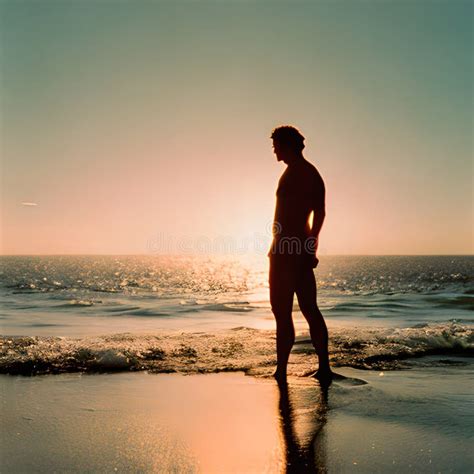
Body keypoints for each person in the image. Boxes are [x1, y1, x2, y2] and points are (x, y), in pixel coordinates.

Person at [268, 125, 333, 386]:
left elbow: (320, 212)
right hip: (290, 249)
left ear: (287, 145)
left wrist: (310, 246)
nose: (274, 149)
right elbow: (317, 213)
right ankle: (317, 367)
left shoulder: (305, 172)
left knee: (287, 311)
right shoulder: (296, 172)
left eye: (276, 144)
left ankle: (283, 371)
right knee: (303, 309)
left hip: (289, 252)